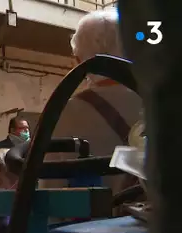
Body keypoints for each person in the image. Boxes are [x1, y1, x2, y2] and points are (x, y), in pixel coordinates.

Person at [45, 9, 142, 194]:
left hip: (88, 222)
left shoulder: (64, 111)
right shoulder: (158, 104)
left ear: (78, 60)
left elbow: (51, 187)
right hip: (153, 220)